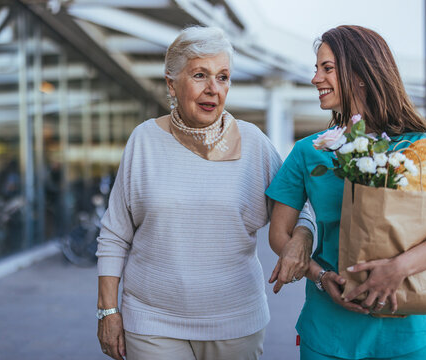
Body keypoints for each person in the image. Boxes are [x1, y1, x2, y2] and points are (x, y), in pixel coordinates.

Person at [95, 26, 316, 360]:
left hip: (235, 323)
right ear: (171, 83)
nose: (214, 89)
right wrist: (107, 311)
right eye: (200, 75)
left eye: (223, 77)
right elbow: (114, 233)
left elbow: (304, 204)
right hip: (152, 320)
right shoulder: (143, 141)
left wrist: (303, 235)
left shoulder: (253, 142)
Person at [266, 25, 426, 360]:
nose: (315, 78)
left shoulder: (418, 148)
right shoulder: (309, 151)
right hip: (328, 329)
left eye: (327, 68)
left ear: (361, 74)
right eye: (316, 68)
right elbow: (279, 234)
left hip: (407, 329)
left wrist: (399, 268)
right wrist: (319, 277)